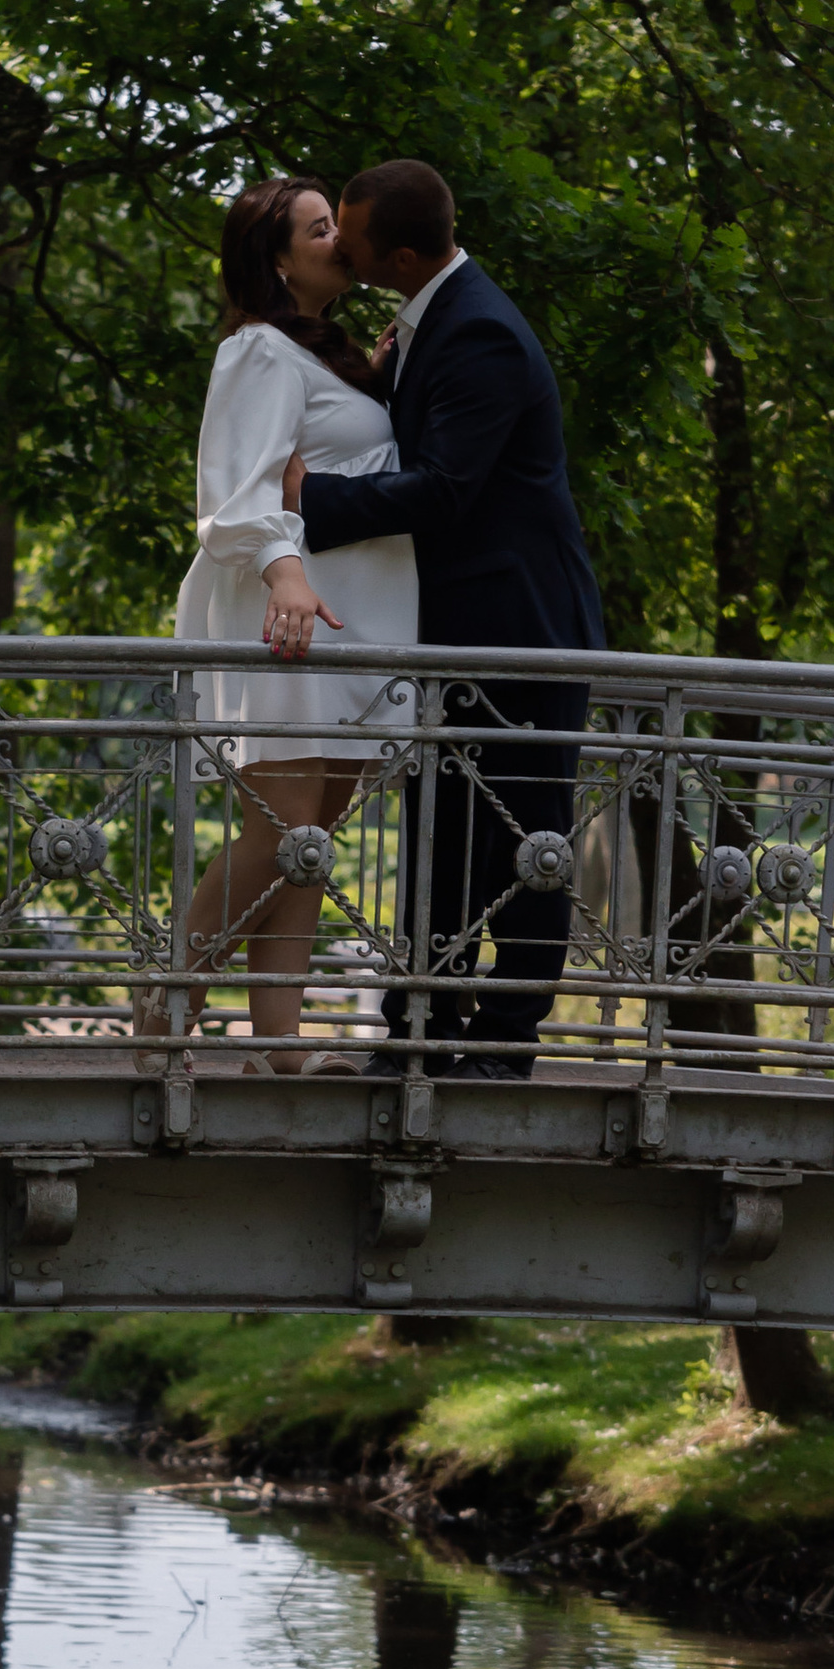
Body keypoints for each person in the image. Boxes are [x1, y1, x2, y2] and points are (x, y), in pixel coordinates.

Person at [287, 159, 603, 1073]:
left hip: (519, 627)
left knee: (526, 831)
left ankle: (507, 1037)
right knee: (443, 827)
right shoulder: (434, 323)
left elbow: (448, 490)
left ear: (406, 252)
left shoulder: (482, 335)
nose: (340, 248)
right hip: (459, 628)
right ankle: (419, 1024)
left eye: (352, 239)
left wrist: (315, 497)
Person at [171, 175, 418, 1070]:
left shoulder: (324, 353)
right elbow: (233, 490)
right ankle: (166, 1006)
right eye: (320, 230)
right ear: (277, 259)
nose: (340, 239)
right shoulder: (260, 351)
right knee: (280, 835)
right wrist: (285, 577)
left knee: (309, 842)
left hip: (349, 630)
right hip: (292, 620)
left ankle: (278, 1039)